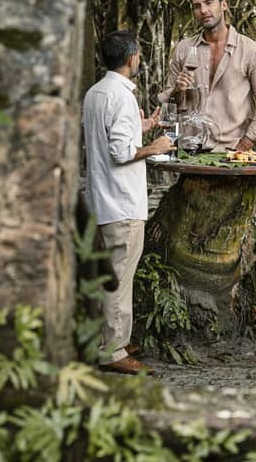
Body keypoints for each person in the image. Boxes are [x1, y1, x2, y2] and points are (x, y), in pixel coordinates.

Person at [83, 30, 175, 375]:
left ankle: (106, 339)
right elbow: (121, 152)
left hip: (100, 200)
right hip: (121, 203)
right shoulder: (121, 96)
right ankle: (113, 351)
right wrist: (156, 146)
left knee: (105, 276)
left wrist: (143, 127)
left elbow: (109, 137)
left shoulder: (96, 92)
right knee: (119, 279)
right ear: (133, 58)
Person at [163, 0, 256, 151]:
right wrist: (178, 90)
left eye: (209, 3)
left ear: (223, 5)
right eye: (197, 6)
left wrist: (246, 143)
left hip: (234, 152)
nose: (204, 10)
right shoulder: (183, 49)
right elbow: (169, 106)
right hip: (192, 151)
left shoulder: (251, 50)